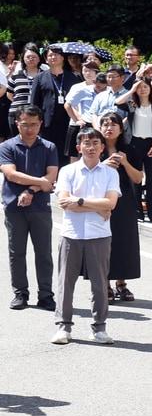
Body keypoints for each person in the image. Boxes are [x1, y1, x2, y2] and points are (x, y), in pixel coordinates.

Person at [51, 127, 121, 345]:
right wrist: (96, 206)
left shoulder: (111, 173)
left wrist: (79, 201)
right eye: (86, 143)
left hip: (99, 234)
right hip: (71, 233)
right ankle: (64, 327)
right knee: (65, 282)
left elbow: (110, 204)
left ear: (102, 147)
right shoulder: (68, 171)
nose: (91, 148)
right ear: (78, 147)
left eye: (95, 143)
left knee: (100, 283)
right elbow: (64, 202)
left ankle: (99, 328)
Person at [1, 104, 59, 311]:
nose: (30, 129)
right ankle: (20, 293)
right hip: (13, 206)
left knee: (43, 252)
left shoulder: (49, 147)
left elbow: (52, 175)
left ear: (40, 124)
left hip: (40, 206)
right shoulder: (7, 146)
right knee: (16, 252)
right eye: (25, 124)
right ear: (17, 124)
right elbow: (11, 174)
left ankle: (46, 294)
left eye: (34, 124)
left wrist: (32, 190)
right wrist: (41, 183)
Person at [93, 112, 143, 302]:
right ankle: (104, 283)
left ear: (121, 129)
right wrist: (104, 164)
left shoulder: (130, 149)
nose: (109, 128)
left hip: (125, 201)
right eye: (105, 124)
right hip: (100, 200)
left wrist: (125, 162)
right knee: (102, 242)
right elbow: (87, 173)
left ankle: (121, 283)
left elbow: (138, 178)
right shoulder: (94, 149)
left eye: (113, 124)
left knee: (123, 242)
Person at [116, 79, 152, 223]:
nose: (142, 89)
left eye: (145, 87)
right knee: (135, 178)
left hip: (151, 144)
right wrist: (131, 90)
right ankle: (137, 212)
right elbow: (118, 102)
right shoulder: (132, 104)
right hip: (134, 143)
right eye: (139, 87)